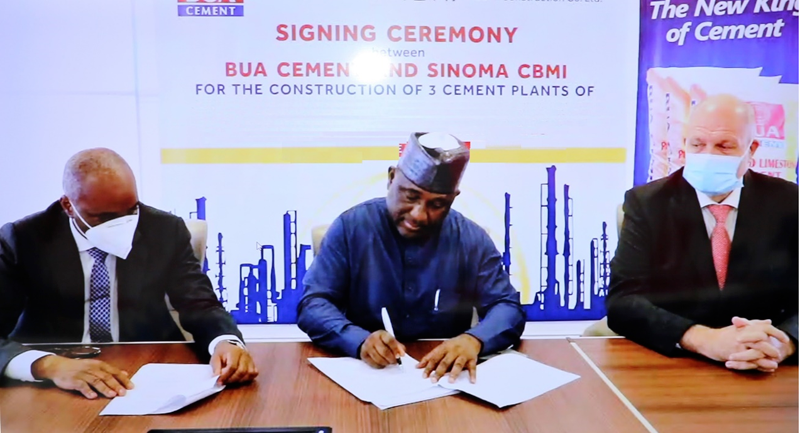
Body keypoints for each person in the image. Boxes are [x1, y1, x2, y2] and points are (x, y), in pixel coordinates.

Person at [0, 148, 258, 399]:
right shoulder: (23, 239)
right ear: (68, 206)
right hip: (56, 378)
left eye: (131, 210)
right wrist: (48, 365)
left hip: (146, 369)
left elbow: (199, 303)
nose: (122, 225)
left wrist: (225, 342)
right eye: (104, 217)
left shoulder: (164, 229)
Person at [298, 132, 525, 383]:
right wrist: (359, 340)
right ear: (391, 178)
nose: (418, 215)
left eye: (437, 205)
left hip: (443, 378)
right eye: (411, 196)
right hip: (367, 375)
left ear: (453, 199)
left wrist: (474, 340)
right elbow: (313, 305)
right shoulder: (350, 228)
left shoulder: (470, 239)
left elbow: (507, 307)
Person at [607, 94, 798, 372]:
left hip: (766, 362)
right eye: (697, 144)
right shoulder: (648, 203)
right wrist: (704, 339)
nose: (708, 155)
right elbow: (622, 301)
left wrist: (784, 343)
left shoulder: (790, 203)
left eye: (724, 146)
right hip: (676, 362)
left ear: (752, 149)